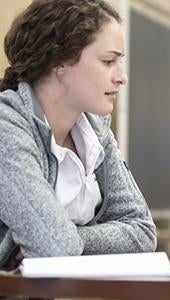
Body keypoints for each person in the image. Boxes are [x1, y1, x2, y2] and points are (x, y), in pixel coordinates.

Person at [0, 0, 156, 270]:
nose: (122, 77)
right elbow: (55, 245)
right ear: (60, 61)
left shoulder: (94, 131)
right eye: (109, 61)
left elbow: (142, 232)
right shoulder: (7, 127)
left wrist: (73, 236)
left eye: (121, 61)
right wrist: (59, 238)